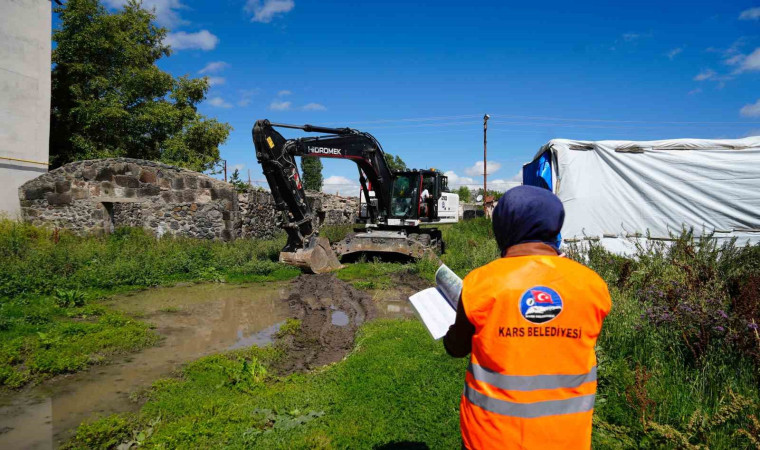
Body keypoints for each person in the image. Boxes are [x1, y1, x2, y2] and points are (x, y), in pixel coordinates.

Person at [444, 185, 611, 449]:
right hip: (567, 437)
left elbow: (456, 348)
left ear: (504, 227)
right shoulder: (592, 284)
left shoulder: (481, 282)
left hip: (490, 436)